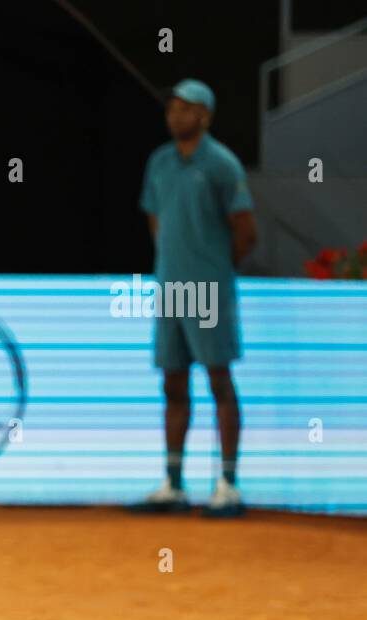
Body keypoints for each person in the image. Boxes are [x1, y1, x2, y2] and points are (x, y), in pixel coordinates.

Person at [132, 79, 256, 518]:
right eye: (172, 109)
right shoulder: (160, 162)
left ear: (204, 115)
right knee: (173, 382)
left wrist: (213, 271)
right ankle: (174, 483)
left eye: (185, 109)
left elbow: (245, 232)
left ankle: (227, 484)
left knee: (219, 381)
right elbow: (155, 219)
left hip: (210, 290)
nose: (175, 117)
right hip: (171, 288)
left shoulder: (222, 164)